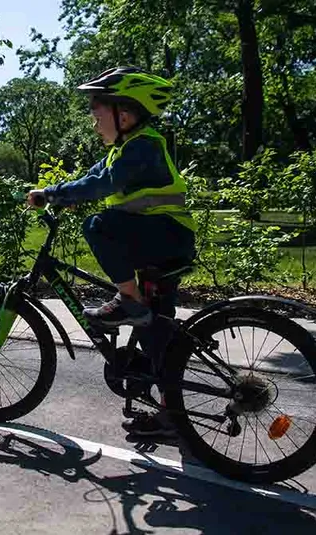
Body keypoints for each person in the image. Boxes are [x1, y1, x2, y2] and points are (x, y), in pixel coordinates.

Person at [27, 66, 197, 437]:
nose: (93, 123)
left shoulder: (143, 146)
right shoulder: (125, 147)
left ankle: (128, 299)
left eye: (97, 114)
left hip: (166, 236)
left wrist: (53, 195)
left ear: (124, 113)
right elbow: (92, 177)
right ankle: (170, 415)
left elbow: (104, 184)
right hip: (161, 242)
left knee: (99, 225)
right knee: (157, 334)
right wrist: (60, 192)